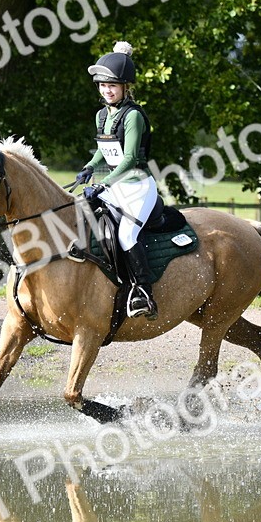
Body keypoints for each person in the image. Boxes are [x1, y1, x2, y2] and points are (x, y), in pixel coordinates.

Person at [76, 41, 159, 320]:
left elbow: (129, 159)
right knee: (82, 209)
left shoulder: (133, 116)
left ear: (125, 87)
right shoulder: (102, 115)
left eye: (112, 85)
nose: (106, 90)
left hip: (138, 188)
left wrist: (103, 184)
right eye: (102, 85)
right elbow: (105, 149)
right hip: (115, 184)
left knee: (125, 234)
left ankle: (143, 291)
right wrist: (89, 168)